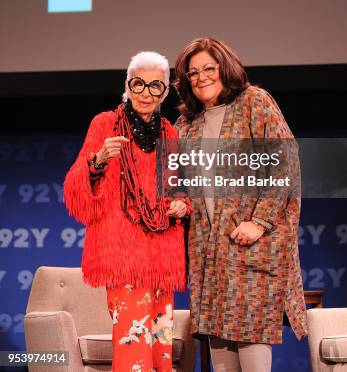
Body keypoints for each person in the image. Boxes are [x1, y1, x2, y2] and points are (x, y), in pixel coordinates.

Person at [174, 38, 307, 372]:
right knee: (217, 334)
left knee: (250, 333)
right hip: (208, 247)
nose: (201, 77)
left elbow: (285, 163)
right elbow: (177, 182)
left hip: (251, 242)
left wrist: (260, 222)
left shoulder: (253, 102)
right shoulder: (186, 124)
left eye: (208, 68)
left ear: (225, 68)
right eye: (193, 73)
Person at [64, 51, 189, 372]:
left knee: (161, 345)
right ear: (127, 85)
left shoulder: (169, 133)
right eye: (139, 84)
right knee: (133, 344)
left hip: (161, 253)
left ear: (164, 92)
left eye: (155, 87)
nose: (146, 93)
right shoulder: (104, 124)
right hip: (123, 254)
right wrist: (99, 159)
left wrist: (181, 204)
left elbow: (178, 188)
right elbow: (74, 189)